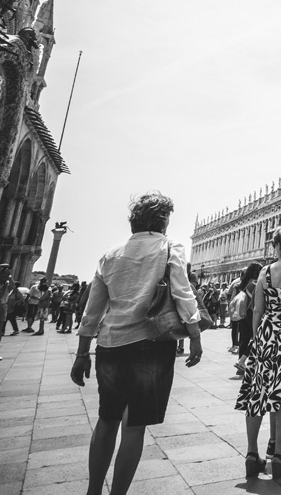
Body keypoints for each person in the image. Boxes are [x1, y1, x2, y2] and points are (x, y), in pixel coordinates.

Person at [71, 192, 202, 495]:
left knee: (106, 419)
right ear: (164, 220)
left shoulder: (110, 255)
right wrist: (194, 335)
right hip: (151, 346)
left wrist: (81, 353)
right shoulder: (170, 247)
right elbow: (183, 293)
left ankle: (93, 491)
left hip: (110, 344)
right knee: (133, 427)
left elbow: (92, 310)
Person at [236, 223, 281, 478]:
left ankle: (251, 454)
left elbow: (257, 310)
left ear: (277, 246)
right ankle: (278, 455)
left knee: (256, 394)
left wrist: (258, 337)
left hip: (267, 336)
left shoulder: (266, 272)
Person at [231, 262, 261, 376]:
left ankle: (240, 365)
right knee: (255, 337)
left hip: (243, 313)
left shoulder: (242, 283)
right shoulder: (254, 283)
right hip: (251, 313)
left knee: (244, 338)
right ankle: (243, 361)